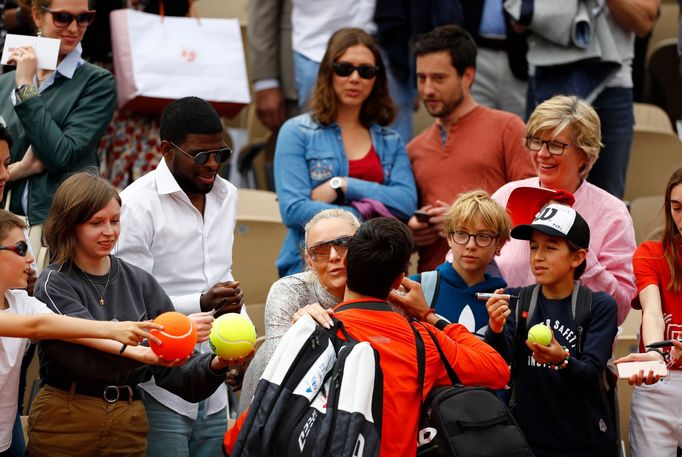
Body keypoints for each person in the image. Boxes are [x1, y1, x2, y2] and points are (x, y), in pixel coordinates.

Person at [256, 217, 510, 456]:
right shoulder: (424, 339)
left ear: (347, 265)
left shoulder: (312, 329)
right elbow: (497, 369)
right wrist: (429, 315)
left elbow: (250, 428)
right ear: (399, 280)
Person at [28, 172, 231, 457]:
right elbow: (89, 354)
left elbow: (175, 371)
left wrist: (216, 364)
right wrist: (164, 336)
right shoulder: (54, 283)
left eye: (115, 220)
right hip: (67, 418)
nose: (109, 231)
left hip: (129, 420)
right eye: (96, 223)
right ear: (70, 225)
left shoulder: (140, 281)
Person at [116, 96, 246, 457]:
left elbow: (224, 275)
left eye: (220, 153)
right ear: (167, 151)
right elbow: (130, 300)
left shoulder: (227, 195)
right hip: (162, 387)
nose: (214, 164)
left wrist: (241, 341)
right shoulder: (136, 204)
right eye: (201, 156)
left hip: (216, 380)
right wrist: (201, 302)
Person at [0, 208, 167, 457]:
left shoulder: (21, 302)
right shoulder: (29, 310)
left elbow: (74, 331)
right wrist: (116, 330)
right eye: (21, 249)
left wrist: (140, 352)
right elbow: (40, 326)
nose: (30, 260)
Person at [274, 27, 417, 277]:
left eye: (366, 71)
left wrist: (345, 185)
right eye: (344, 68)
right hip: (310, 270)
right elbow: (293, 209)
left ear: (376, 78)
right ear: (329, 71)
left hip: (376, 271)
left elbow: (406, 202)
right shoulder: (296, 131)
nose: (355, 78)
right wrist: (366, 219)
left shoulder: (391, 140)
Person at [484, 203, 618, 457]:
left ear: (577, 257)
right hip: (526, 442)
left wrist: (562, 360)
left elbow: (591, 374)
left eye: (550, 248)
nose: (537, 256)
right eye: (534, 247)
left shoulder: (599, 305)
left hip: (585, 444)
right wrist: (496, 328)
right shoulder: (516, 299)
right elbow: (499, 364)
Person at [490, 94, 636, 325]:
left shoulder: (612, 213)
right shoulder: (507, 195)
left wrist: (579, 252)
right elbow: (463, 263)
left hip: (576, 353)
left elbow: (619, 309)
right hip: (504, 342)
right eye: (536, 141)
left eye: (556, 145)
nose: (541, 153)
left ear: (585, 155)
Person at [407, 25, 534, 272]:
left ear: (468, 75)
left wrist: (465, 221)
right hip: (432, 288)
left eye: (439, 78)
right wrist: (413, 234)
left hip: (497, 285)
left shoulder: (507, 128)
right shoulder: (414, 148)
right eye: (422, 78)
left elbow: (534, 209)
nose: (428, 89)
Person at [0, 0, 115, 225]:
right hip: (8, 227)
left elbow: (61, 156)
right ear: (37, 16)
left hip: (64, 226)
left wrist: (25, 85)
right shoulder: (4, 84)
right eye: (62, 17)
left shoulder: (97, 83)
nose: (74, 28)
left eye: (84, 17)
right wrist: (20, 169)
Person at [239, 208, 360, 411]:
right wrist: (299, 335)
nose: (333, 256)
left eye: (344, 244)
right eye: (320, 250)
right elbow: (278, 378)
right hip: (274, 411)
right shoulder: (290, 291)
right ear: (309, 261)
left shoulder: (386, 290)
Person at [612, 167, 682, 456]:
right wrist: (656, 352)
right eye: (676, 208)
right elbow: (652, 311)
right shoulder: (651, 253)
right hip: (659, 384)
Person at [410, 190, 511, 338]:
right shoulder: (417, 287)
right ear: (449, 237)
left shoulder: (504, 303)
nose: (470, 245)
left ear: (499, 244)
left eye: (483, 236)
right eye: (462, 234)